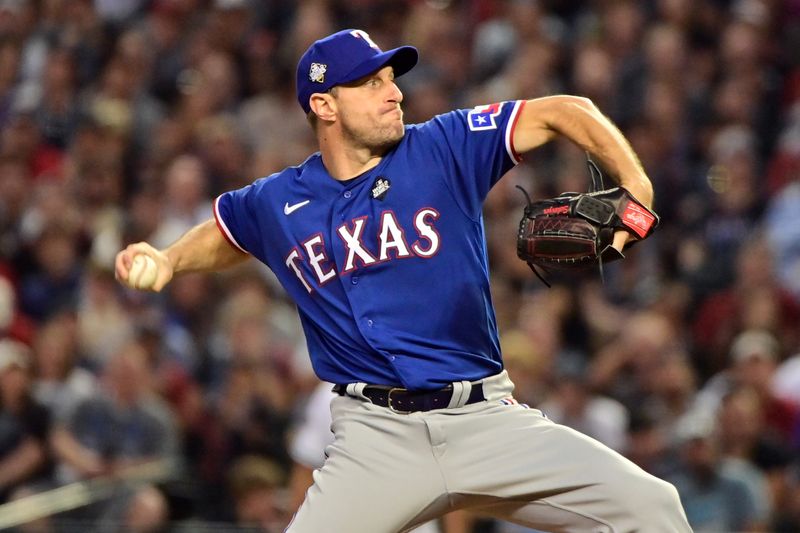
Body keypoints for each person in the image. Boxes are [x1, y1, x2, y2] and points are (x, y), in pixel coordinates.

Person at [115, 29, 691, 532]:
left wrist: (637, 190)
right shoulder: (277, 200)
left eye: (391, 78)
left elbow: (565, 110)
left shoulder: (443, 146)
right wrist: (167, 260)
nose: (394, 92)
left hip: (484, 418)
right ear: (324, 104)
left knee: (650, 507)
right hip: (374, 440)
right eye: (370, 83)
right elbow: (224, 231)